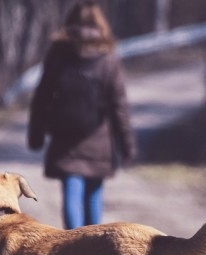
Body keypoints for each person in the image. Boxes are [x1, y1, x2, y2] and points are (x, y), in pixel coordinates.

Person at [28, 1, 136, 229]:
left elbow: (42, 96)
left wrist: (36, 134)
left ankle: (72, 247)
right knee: (93, 195)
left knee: (71, 192)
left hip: (65, 137)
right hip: (98, 138)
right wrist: (126, 145)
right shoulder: (108, 56)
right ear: (100, 23)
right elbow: (119, 106)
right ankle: (93, 248)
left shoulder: (58, 53)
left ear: (71, 23)